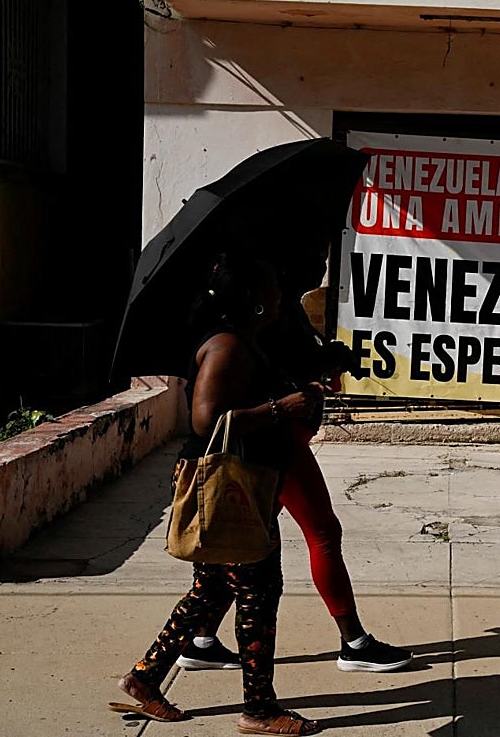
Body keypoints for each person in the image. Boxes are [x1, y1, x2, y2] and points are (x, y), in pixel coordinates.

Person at [176, 241, 411, 675]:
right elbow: (211, 417)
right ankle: (352, 643)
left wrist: (327, 360)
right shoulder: (243, 331)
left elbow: (285, 368)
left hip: (274, 444)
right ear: (260, 290)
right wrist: (286, 404)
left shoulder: (270, 317)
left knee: (236, 552)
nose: (321, 264)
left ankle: (196, 643)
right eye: (313, 256)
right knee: (317, 534)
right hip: (270, 447)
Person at [110, 251, 322, 733]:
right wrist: (280, 408)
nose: (278, 290)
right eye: (270, 282)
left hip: (245, 482)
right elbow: (207, 420)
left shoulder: (248, 340)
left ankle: (144, 678)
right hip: (232, 487)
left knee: (211, 590)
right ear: (252, 296)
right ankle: (260, 709)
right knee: (258, 590)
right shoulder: (227, 345)